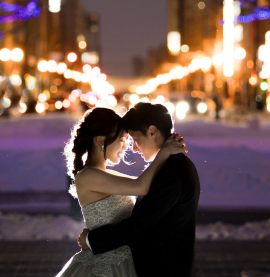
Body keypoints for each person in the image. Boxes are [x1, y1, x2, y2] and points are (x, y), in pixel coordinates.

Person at [56, 107, 187, 277]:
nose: (126, 146)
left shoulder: (108, 174)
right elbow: (142, 186)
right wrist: (165, 152)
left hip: (128, 260)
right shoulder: (87, 176)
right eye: (121, 139)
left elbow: (147, 184)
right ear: (101, 140)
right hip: (106, 266)